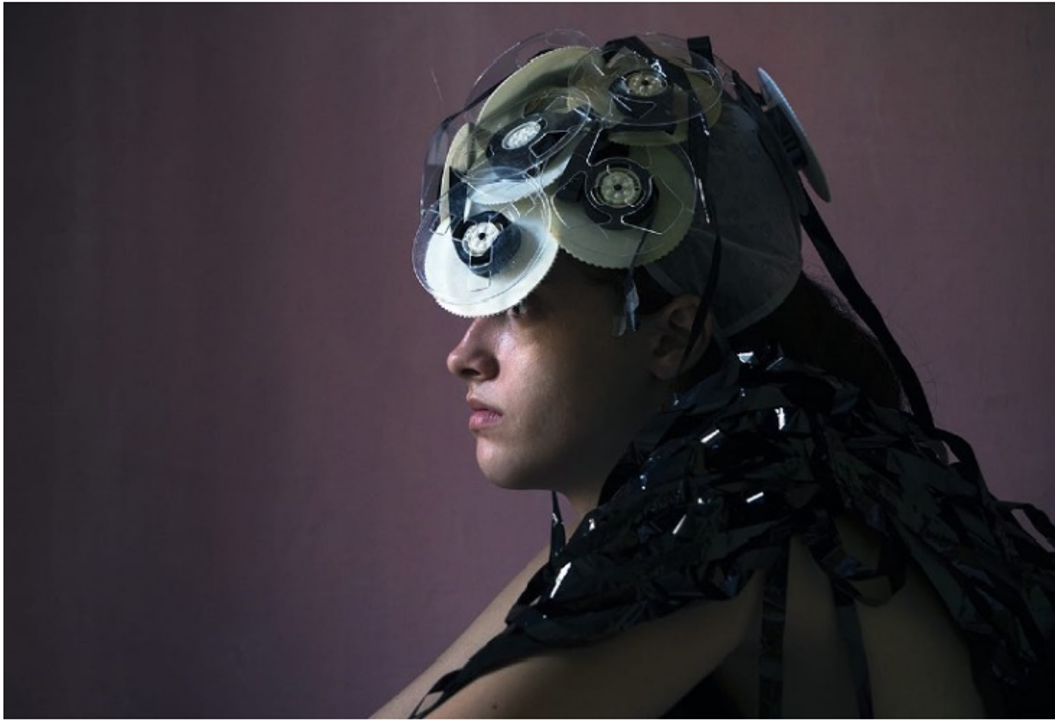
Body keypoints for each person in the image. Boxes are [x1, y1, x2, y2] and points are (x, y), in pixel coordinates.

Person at [375, 31, 1055, 718]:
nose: (463, 356)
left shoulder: (718, 528)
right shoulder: (727, 501)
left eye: (518, 308)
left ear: (672, 337)